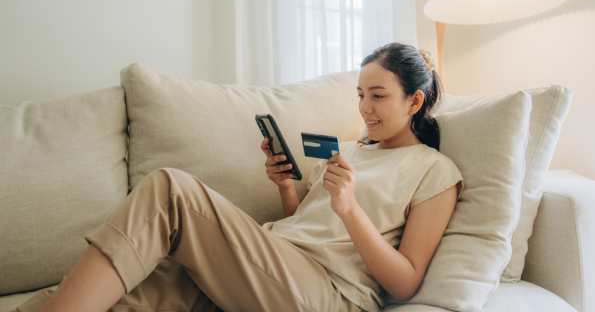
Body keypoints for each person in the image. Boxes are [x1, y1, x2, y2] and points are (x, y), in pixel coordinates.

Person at [14, 42, 463, 312]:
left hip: (327, 296)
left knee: (172, 190)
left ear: (415, 101)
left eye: (379, 96)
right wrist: (288, 189)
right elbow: (306, 227)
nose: (365, 108)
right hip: (273, 269)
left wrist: (349, 211)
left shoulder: (434, 171)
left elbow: (405, 281)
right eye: (361, 95)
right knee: (115, 290)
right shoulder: (351, 151)